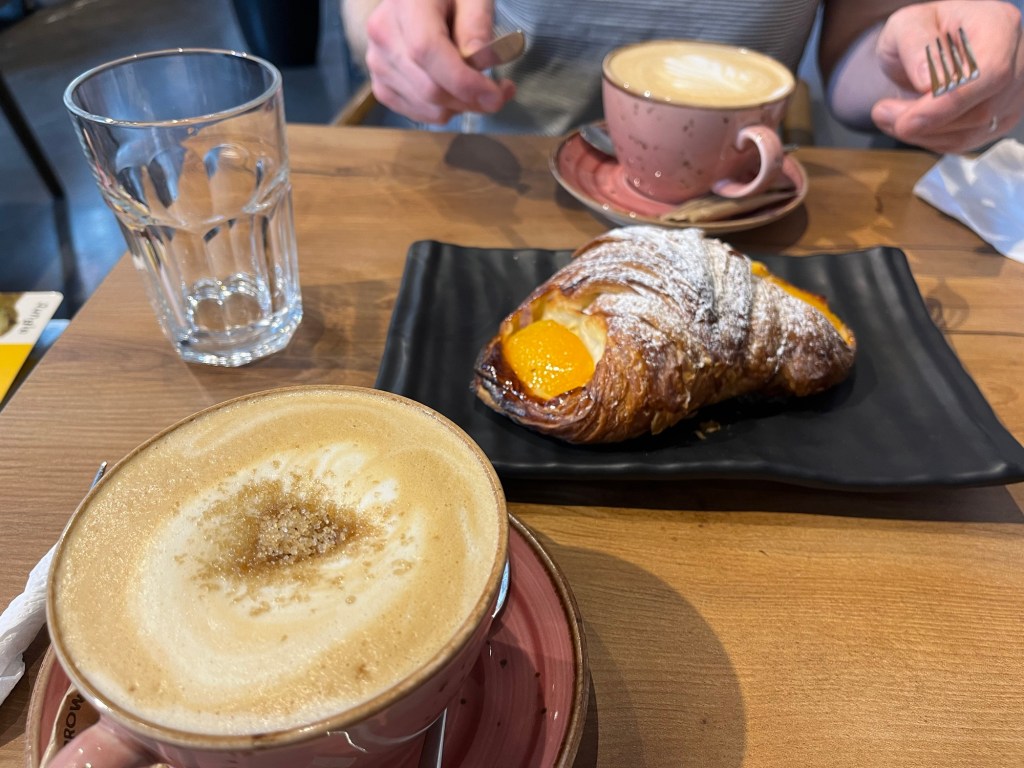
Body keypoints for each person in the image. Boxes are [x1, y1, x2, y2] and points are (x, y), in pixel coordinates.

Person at [344, 0, 1024, 154]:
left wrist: (937, 73)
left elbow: (858, 57)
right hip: (504, 185)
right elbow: (373, 13)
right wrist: (392, 25)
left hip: (737, 207)